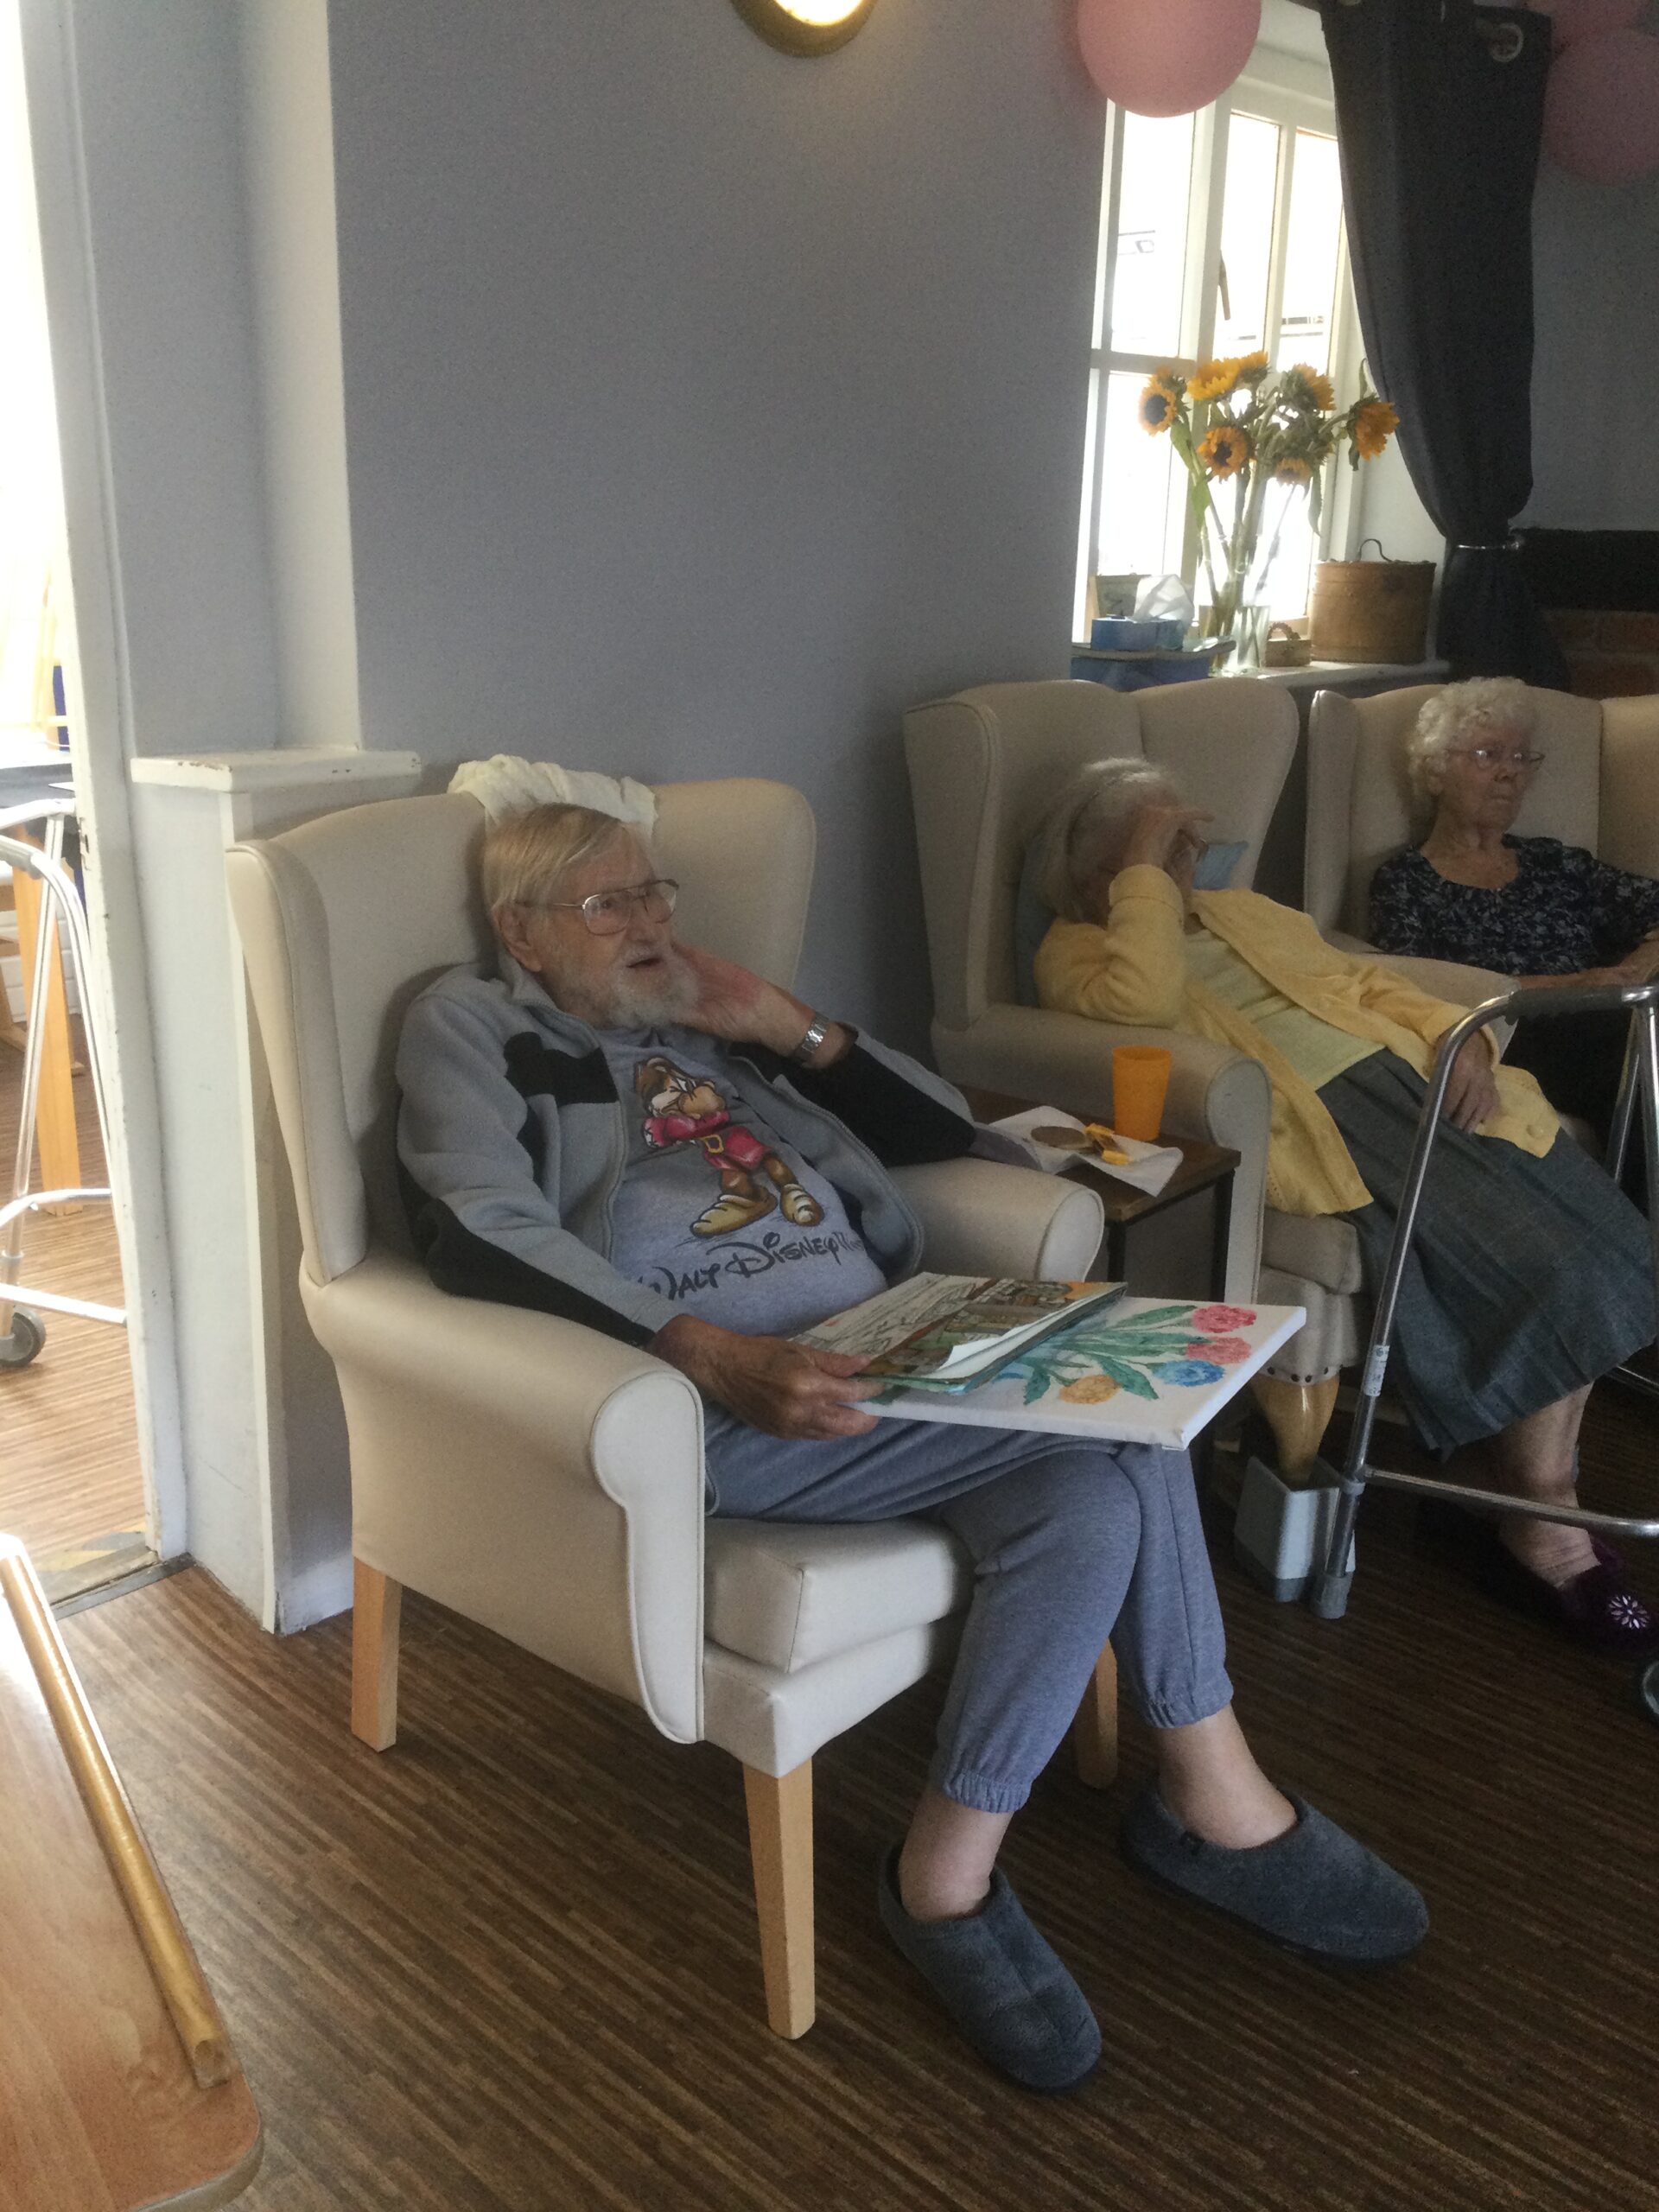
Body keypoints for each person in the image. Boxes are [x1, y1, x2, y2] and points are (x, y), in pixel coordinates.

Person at [396, 799, 1427, 2096]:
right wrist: (710, 1351)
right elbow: (474, 1225)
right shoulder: (471, 1024)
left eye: (657, 895)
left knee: (1101, 1477)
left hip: (891, 1337)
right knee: (1123, 1444)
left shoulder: (704, 1020)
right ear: (522, 933)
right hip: (717, 1401)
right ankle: (1198, 1807)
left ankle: (952, 1871)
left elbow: (953, 1135)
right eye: (610, 907)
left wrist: (782, 1023)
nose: (653, 926)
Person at [1031, 759, 1659, 1660]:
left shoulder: (1238, 910)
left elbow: (1361, 982)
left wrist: (1459, 1031)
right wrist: (1143, 876)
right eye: (1163, 848)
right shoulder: (1079, 950)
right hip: (1330, 1123)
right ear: (1102, 868)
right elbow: (1145, 1003)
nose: (1186, 864)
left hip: (1418, 1077)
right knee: (1554, 1262)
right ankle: (1545, 1520)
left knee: (1613, 1241)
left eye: (1183, 847)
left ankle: (1511, 1479)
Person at [1369, 677, 1659, 1151]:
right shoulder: (1405, 881)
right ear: (1437, 772)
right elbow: (1414, 986)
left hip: (1614, 1017)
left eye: (1521, 758)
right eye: (1488, 755)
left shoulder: (1555, 862)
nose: (1511, 773)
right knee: (1636, 1055)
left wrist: (1646, 962)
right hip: (1513, 1038)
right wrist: (1581, 986)